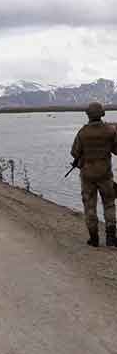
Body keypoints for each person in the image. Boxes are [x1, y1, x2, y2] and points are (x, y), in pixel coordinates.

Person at [71, 102, 117, 247]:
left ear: (88, 115)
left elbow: (74, 152)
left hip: (87, 176)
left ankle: (94, 239)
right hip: (105, 175)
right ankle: (111, 238)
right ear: (102, 114)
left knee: (89, 207)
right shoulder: (110, 131)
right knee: (109, 204)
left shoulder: (82, 132)